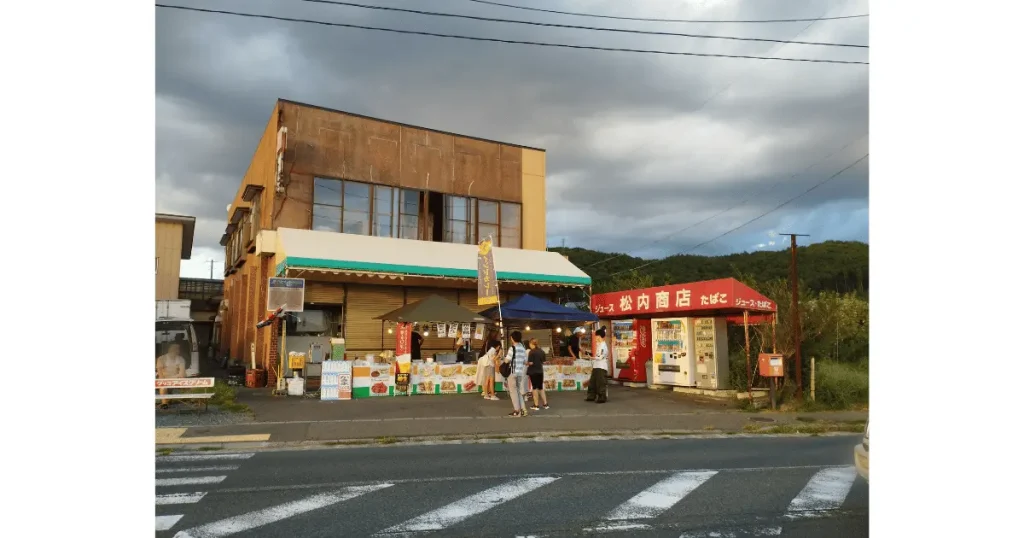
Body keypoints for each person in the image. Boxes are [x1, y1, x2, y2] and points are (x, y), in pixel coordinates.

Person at [501, 330, 529, 417]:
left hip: (512, 373)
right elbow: (525, 362)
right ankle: (523, 410)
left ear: (512, 338)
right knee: (517, 391)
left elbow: (507, 360)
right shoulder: (523, 348)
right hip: (520, 373)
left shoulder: (512, 348)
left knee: (513, 392)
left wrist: (503, 359)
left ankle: (517, 411)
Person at [156, 342, 187, 408]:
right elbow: (160, 374)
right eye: (174, 348)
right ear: (169, 349)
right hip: (164, 379)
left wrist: (175, 377)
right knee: (163, 386)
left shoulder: (181, 359)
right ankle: (164, 404)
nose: (177, 350)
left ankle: (169, 399)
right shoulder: (161, 359)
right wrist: (171, 378)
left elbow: (182, 374)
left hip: (175, 380)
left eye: (178, 348)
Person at [586, 327, 609, 403]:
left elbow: (600, 357)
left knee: (600, 383)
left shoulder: (603, 346)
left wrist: (592, 357)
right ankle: (591, 396)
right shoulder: (599, 345)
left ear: (599, 336)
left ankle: (602, 397)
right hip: (596, 366)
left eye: (596, 336)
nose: (595, 338)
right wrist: (592, 356)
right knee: (592, 382)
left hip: (601, 367)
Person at [526, 339, 549, 411]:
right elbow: (543, 361)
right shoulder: (541, 351)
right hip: (540, 371)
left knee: (534, 388)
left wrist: (525, 363)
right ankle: (545, 404)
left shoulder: (531, 352)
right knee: (540, 388)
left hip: (533, 371)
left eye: (529, 344)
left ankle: (536, 405)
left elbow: (531, 363)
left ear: (531, 344)